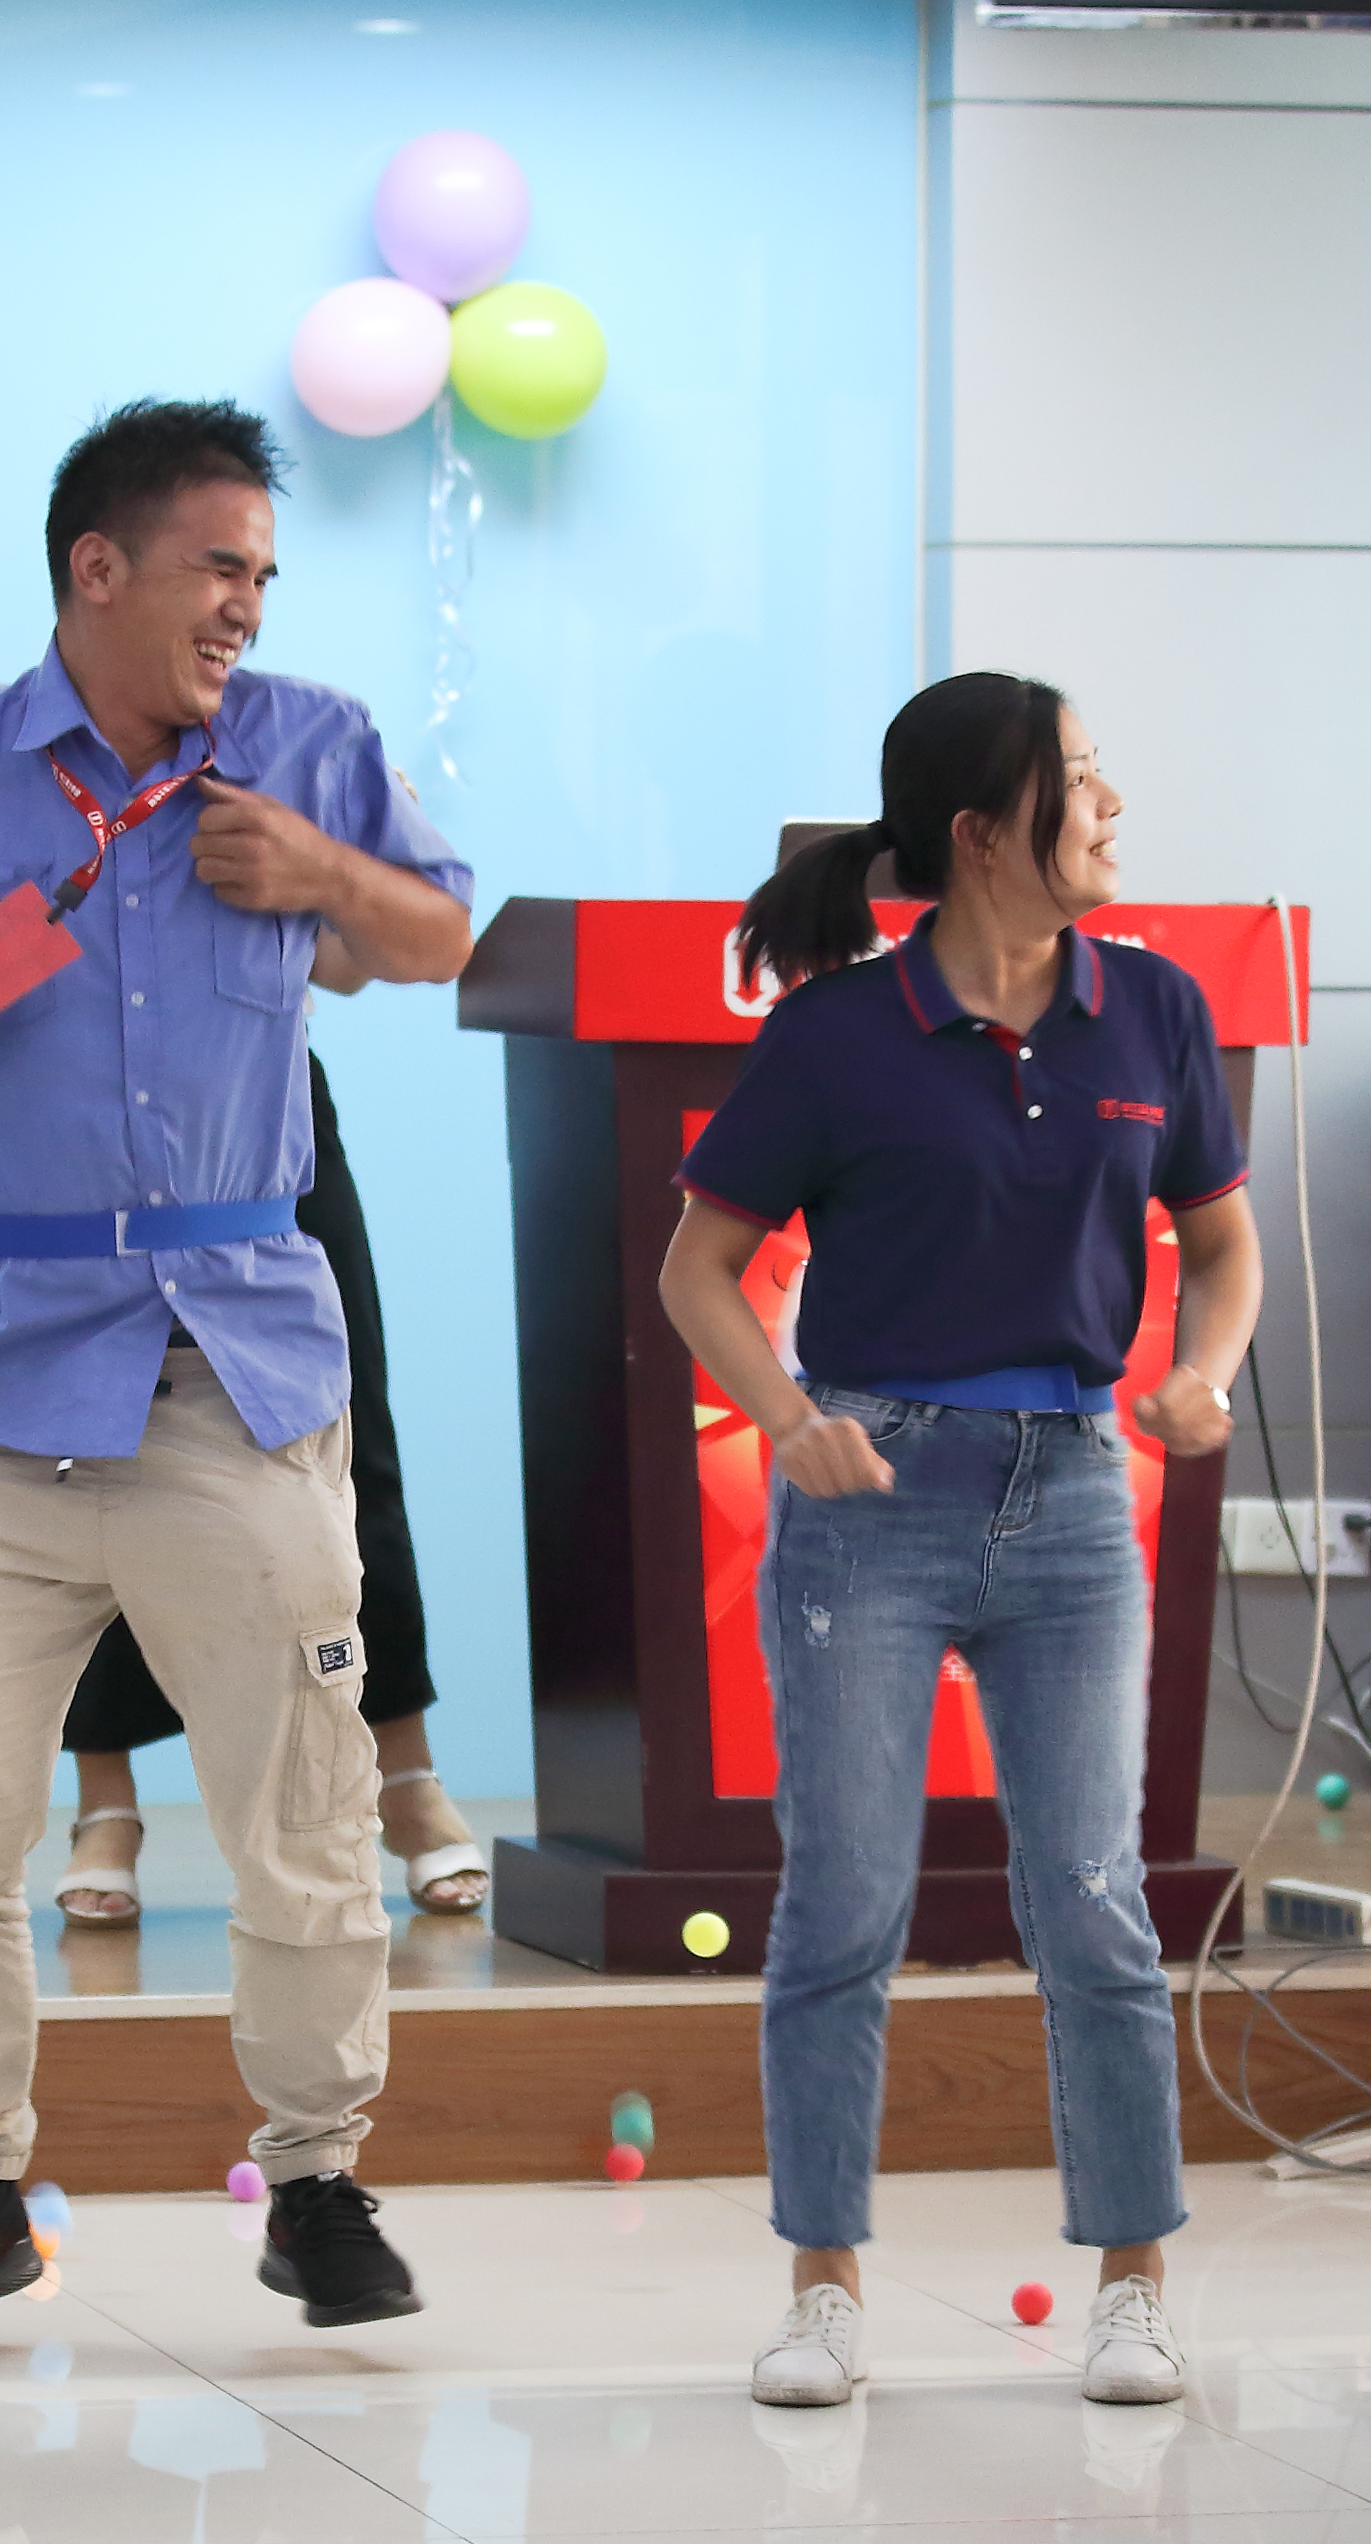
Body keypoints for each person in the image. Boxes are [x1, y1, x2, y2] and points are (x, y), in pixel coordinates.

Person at [0, 399, 473, 2344]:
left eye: (262, 575)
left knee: (300, 1816)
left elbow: (437, 931)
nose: (246, 605)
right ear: (98, 567)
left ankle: (318, 2181)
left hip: (233, 1368)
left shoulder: (305, 745)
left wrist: (319, 868)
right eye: (219, 565)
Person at [658, 671, 1254, 2412]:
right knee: (841, 1903)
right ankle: (821, 2289)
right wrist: (786, 1420)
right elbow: (696, 1269)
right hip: (868, 1502)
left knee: (1092, 1903)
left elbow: (1221, 1245)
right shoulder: (836, 1033)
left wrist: (1202, 1375)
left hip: (1071, 1496)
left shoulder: (1151, 1007)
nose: (1110, 804)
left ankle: (1132, 2285)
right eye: (1079, 777)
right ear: (984, 831)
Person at [53, 1045, 489, 1926]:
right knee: (90, 1438)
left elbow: (377, 967)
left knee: (339, 1428)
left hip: (257, 1087)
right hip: (74, 1088)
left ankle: (405, 1776)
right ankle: (105, 1803)